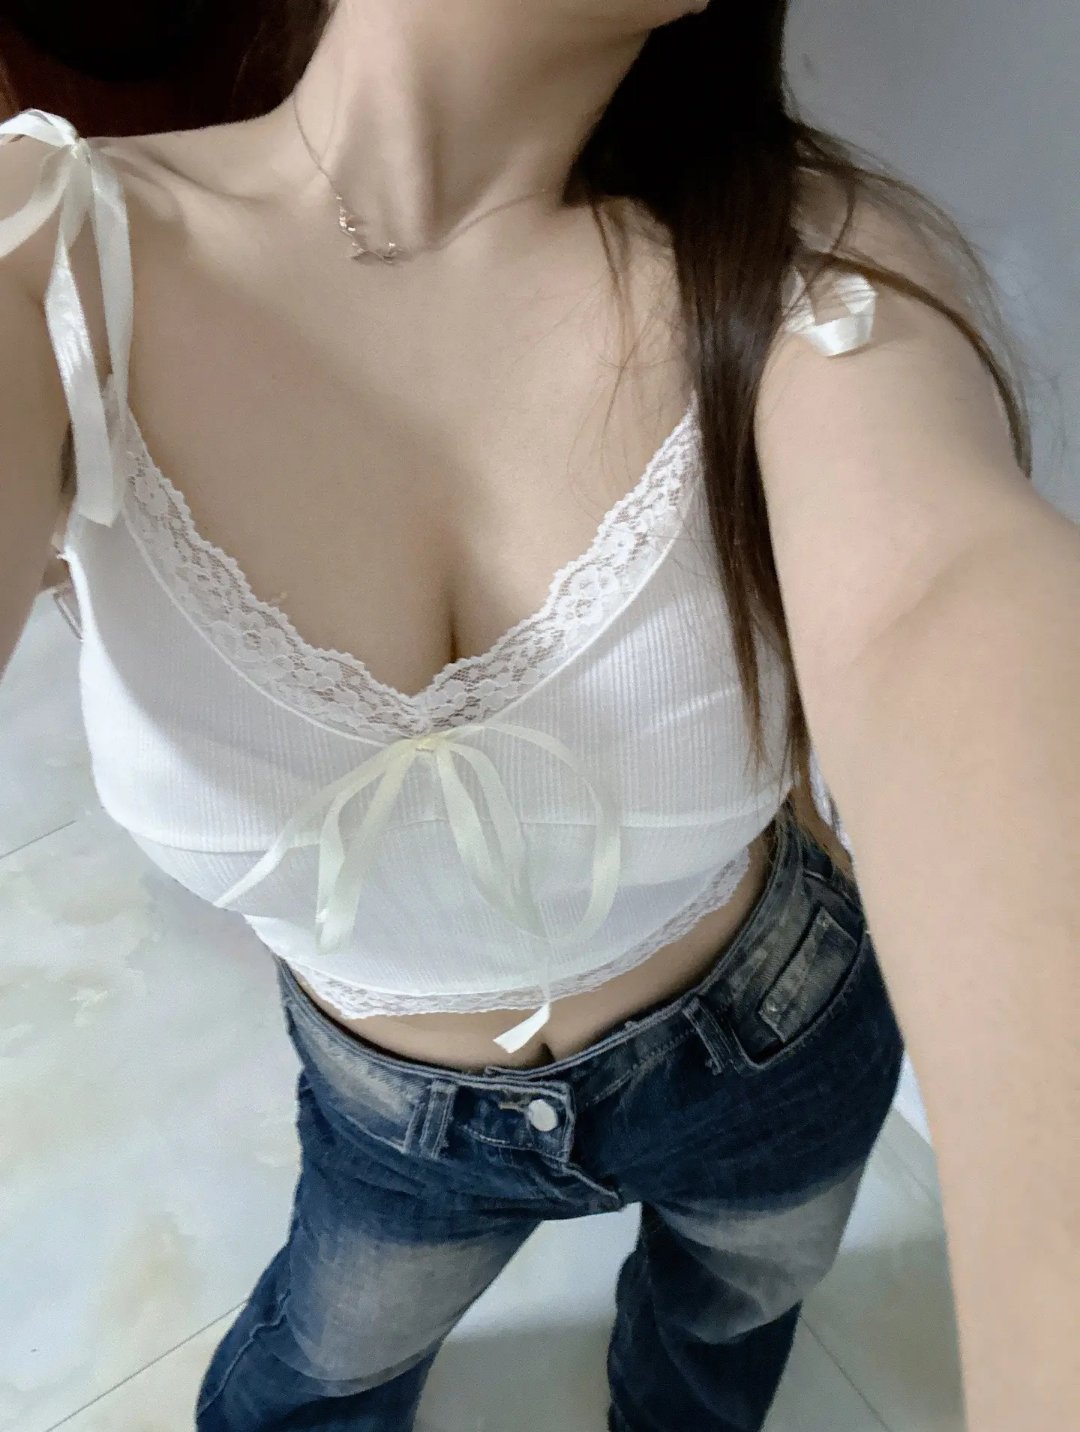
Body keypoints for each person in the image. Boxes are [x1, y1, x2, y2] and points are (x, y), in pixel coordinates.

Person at [1, 3, 1077, 1430]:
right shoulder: (45, 253)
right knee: (302, 1391)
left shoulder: (816, 270)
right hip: (396, 1127)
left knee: (720, 1346)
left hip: (777, 1039)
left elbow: (942, 603)